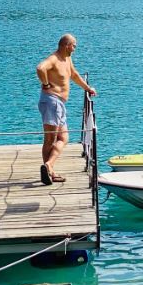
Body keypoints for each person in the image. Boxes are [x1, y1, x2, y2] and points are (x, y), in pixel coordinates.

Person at [36, 34, 96, 185]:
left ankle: (48, 167)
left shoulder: (67, 59)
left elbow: (74, 75)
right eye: (73, 45)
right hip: (51, 101)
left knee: (63, 138)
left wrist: (87, 88)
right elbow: (40, 68)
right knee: (51, 138)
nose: (75, 48)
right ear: (66, 45)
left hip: (59, 104)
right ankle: (49, 169)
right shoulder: (54, 59)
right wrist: (47, 84)